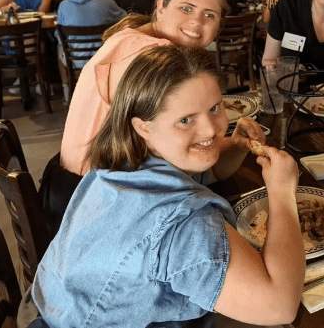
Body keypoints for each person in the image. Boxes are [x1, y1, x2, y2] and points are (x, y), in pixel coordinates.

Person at [24, 45, 304, 326]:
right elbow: (279, 306)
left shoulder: (124, 162)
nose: (211, 129)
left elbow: (211, 172)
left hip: (56, 310)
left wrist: (235, 146)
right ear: (144, 127)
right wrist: (282, 194)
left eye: (215, 108)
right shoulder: (187, 225)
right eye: (185, 120)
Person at [40, 0, 233, 243]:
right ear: (161, 6)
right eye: (186, 8)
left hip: (68, 183)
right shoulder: (152, 56)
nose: (196, 22)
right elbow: (181, 159)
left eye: (209, 15)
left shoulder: (131, 36)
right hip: (92, 206)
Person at [55, 0, 127, 100]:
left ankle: (67, 92)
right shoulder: (106, 1)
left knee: (60, 47)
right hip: (102, 57)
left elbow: (60, 37)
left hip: (74, 61)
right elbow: (125, 18)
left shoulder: (64, 5)